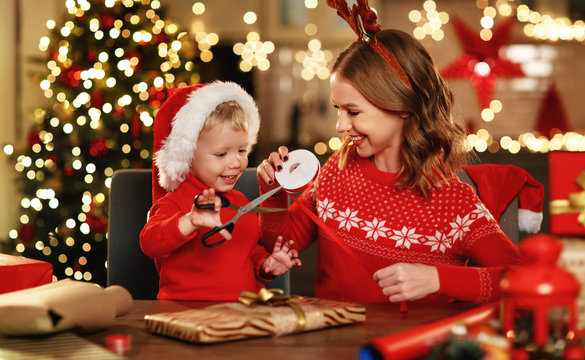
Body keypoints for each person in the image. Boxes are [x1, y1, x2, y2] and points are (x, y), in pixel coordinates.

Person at [256, 1, 523, 304]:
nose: (340, 124)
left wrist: (438, 279)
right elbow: (281, 243)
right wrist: (273, 190)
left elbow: (521, 280)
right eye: (338, 109)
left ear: (403, 107)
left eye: (353, 112)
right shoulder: (337, 170)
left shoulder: (452, 202)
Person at [140, 81, 301, 301]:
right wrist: (190, 221)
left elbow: (244, 249)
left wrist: (266, 263)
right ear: (187, 155)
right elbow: (149, 243)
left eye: (242, 150)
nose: (236, 162)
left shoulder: (241, 201)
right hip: (185, 316)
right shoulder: (175, 202)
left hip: (240, 315)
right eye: (221, 154)